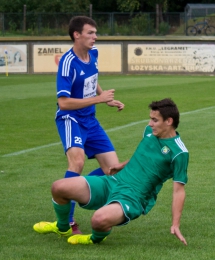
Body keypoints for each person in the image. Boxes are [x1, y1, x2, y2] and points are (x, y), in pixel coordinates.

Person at [33, 98, 189, 246]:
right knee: (59, 187)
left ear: (169, 121)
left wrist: (175, 224)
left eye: (155, 120)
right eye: (150, 119)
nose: (150, 124)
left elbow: (178, 191)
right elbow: (145, 155)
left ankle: (94, 239)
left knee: (98, 220)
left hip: (133, 197)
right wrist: (121, 165)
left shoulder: (179, 153)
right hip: (113, 182)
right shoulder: (150, 131)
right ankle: (63, 227)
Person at [55, 16, 124, 234]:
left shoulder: (93, 54)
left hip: (90, 120)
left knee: (113, 170)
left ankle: (81, 188)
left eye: (95, 33)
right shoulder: (68, 63)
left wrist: (105, 97)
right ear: (77, 35)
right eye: (91, 33)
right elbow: (63, 103)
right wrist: (99, 100)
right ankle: (67, 222)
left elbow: (91, 80)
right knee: (76, 163)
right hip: (71, 119)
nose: (95, 37)